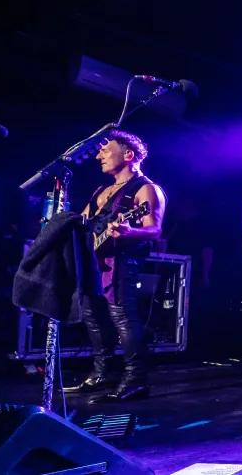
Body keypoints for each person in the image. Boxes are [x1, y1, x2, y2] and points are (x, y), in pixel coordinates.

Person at [65, 130, 166, 403]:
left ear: (128, 155)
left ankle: (135, 380)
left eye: (105, 150)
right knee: (93, 317)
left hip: (120, 263)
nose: (99, 155)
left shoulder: (145, 189)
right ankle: (102, 373)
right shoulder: (101, 190)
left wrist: (128, 232)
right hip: (93, 262)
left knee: (123, 317)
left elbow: (154, 230)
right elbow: (82, 223)